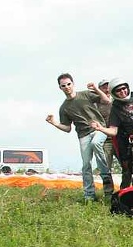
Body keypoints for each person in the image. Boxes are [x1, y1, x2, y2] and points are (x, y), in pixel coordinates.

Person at [46, 73, 114, 202]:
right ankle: (89, 195)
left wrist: (96, 88)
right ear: (60, 88)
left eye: (69, 84)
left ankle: (108, 190)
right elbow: (67, 128)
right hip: (83, 135)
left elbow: (107, 100)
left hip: (99, 128)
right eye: (63, 85)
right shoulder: (64, 107)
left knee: (95, 144)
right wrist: (54, 123)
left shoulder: (85, 94)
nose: (67, 87)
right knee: (86, 165)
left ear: (73, 84)